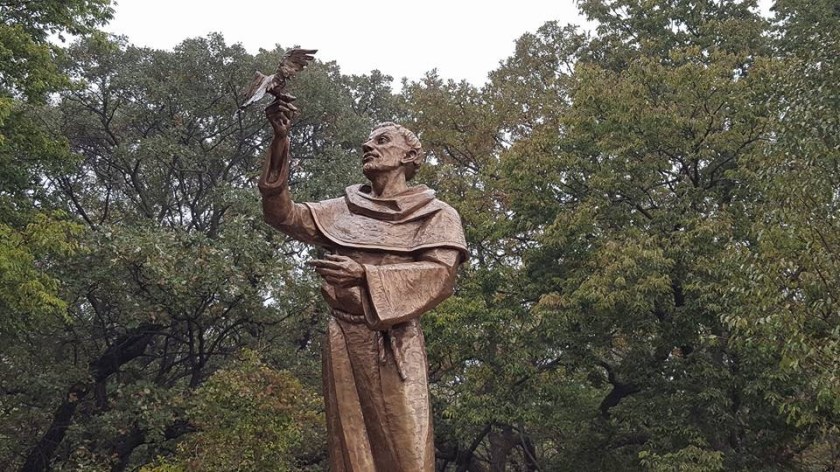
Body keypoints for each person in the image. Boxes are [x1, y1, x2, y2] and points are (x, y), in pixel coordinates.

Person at [258, 95, 467, 471]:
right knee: (351, 450)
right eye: (368, 141)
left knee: (408, 452)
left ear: (409, 156)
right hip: (343, 334)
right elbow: (282, 214)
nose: (368, 145)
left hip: (395, 337)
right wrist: (280, 140)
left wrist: (365, 275)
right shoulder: (342, 210)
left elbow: (440, 276)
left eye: (382, 140)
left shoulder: (437, 214)